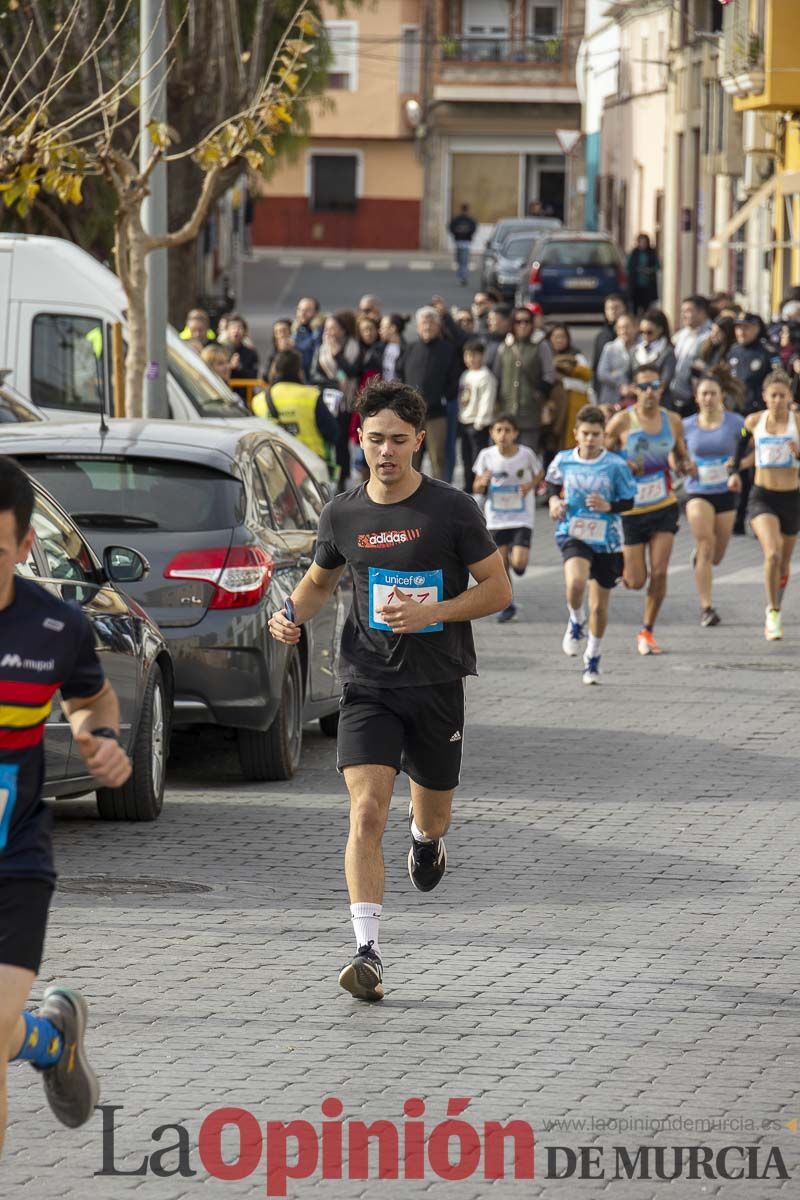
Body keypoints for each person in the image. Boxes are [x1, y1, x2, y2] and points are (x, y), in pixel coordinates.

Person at [268, 380, 510, 1001]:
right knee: (367, 812)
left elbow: (498, 589)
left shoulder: (451, 509)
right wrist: (290, 615)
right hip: (369, 681)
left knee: (431, 814)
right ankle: (366, 950)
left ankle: (427, 841)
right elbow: (321, 582)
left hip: (436, 684)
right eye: (376, 439)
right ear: (360, 439)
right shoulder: (342, 512)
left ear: (419, 442)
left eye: (399, 441)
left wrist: (437, 613)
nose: (387, 452)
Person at [0, 458, 132, 1155]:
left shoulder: (54, 626)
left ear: (24, 547)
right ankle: (50, 1038)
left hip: (14, 859)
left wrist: (98, 737)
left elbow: (91, 699)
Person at [545, 405, 637, 683]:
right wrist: (552, 502)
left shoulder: (616, 465)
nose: (590, 439)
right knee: (575, 583)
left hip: (607, 540)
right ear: (576, 434)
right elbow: (551, 484)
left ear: (603, 435)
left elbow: (629, 501)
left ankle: (592, 657)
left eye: (596, 434)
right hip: (573, 531)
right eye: (585, 434)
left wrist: (609, 505)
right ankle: (575, 619)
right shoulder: (563, 460)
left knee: (599, 606)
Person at [605, 364, 691, 656]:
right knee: (635, 581)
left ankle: (647, 631)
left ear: (662, 388)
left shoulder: (673, 421)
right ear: (634, 390)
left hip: (664, 505)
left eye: (654, 385)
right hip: (631, 511)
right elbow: (602, 457)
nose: (649, 392)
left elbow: (680, 455)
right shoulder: (621, 422)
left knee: (661, 571)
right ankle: (618, 565)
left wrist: (685, 465)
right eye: (643, 387)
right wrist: (621, 463)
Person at [730, 370, 800, 640]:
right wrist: (734, 472)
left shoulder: (797, 422)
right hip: (762, 497)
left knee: (783, 563)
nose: (778, 400)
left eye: (783, 395)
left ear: (790, 396)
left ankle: (777, 603)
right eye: (774, 395)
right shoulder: (754, 420)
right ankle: (772, 611)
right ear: (764, 397)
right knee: (772, 553)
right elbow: (741, 445)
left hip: (791, 498)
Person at [682, 371, 747, 627]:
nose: (708, 398)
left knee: (716, 556)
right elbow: (673, 453)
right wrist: (683, 464)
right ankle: (706, 607)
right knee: (706, 544)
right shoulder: (686, 425)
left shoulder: (736, 423)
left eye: (713, 394)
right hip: (698, 491)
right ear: (697, 398)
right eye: (704, 394)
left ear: (722, 397)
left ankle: (700, 557)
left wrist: (738, 466)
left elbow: (754, 451)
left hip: (726, 491)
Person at [473, 413, 543, 623]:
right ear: (492, 433)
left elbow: (540, 473)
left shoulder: (526, 454)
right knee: (501, 563)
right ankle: (508, 604)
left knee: (519, 563)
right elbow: (476, 487)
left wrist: (529, 486)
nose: (503, 435)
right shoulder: (486, 455)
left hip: (521, 516)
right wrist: (482, 482)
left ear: (515, 433)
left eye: (508, 430)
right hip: (496, 518)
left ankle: (519, 566)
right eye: (499, 430)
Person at [396, 307, 461, 482]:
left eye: (432, 322)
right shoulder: (410, 348)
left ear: (438, 326)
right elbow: (399, 373)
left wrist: (444, 397)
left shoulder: (448, 349)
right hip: (411, 415)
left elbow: (454, 378)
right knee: (411, 457)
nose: (427, 326)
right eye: (424, 322)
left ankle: (441, 496)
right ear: (417, 327)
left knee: (438, 458)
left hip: (436, 413)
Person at [252, 349, 339, 460]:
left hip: (273, 465)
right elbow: (332, 432)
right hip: (309, 465)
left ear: (275, 370)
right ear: (299, 371)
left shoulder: (258, 400)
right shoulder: (312, 396)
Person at [310, 313, 362, 492]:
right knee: (327, 439)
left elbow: (353, 370)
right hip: (327, 399)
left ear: (343, 330)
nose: (330, 333)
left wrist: (337, 354)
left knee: (341, 442)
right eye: (327, 328)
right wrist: (334, 382)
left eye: (334, 329)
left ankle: (343, 478)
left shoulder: (353, 347)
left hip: (346, 401)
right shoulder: (321, 347)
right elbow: (315, 374)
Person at [494, 307, 549, 453]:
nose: (523, 325)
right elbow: (497, 376)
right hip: (507, 412)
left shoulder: (540, 345)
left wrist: (539, 394)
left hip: (530, 412)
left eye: (527, 321)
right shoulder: (505, 346)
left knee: (527, 456)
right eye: (518, 321)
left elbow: (549, 375)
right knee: (504, 457)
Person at [458, 340, 498, 493]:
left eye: (474, 355)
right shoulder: (465, 375)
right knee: (465, 457)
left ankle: (480, 487)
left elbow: (486, 401)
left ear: (482, 356)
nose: (470, 359)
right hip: (465, 420)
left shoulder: (486, 376)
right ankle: (468, 485)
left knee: (478, 458)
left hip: (478, 424)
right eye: (467, 355)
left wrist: (480, 422)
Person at [547, 324, 592, 449]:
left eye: (563, 337)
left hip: (574, 407)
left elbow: (587, 380)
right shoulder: (544, 355)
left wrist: (566, 378)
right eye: (556, 337)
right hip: (552, 408)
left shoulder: (576, 357)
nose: (559, 340)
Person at [725, 313, 778, 415]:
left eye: (746, 328)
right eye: (738, 328)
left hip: (756, 411)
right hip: (734, 409)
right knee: (740, 431)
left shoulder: (768, 352)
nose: (741, 332)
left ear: (756, 329)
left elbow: (777, 378)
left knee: (746, 431)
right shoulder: (733, 350)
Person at [669, 295, 712, 416]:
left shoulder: (711, 335)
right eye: (682, 311)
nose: (684, 315)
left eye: (688, 311)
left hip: (696, 397)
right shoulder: (682, 334)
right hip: (676, 396)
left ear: (702, 312)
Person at [595, 313, 637, 409]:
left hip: (633, 399)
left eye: (627, 327)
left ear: (635, 328)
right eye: (621, 328)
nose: (624, 331)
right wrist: (620, 385)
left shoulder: (640, 348)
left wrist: (632, 387)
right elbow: (602, 373)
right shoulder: (610, 348)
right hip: (611, 399)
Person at [631, 309, 675, 392]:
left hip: (660, 398)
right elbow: (628, 376)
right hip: (636, 397)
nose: (645, 335)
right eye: (642, 332)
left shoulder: (667, 351)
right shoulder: (635, 350)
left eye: (649, 332)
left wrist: (643, 387)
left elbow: (665, 380)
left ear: (660, 330)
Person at [219, 314, 259, 396]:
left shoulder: (251, 353)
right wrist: (229, 367)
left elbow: (253, 376)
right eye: (233, 327)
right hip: (223, 392)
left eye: (239, 328)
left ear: (245, 332)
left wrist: (239, 368)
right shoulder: (219, 350)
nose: (236, 331)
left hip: (244, 394)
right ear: (227, 330)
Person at [592, 295, 628, 375]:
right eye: (609, 308)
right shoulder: (602, 336)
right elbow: (596, 366)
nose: (613, 311)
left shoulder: (630, 332)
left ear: (624, 308)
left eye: (616, 307)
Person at [626, 234, 660, 314]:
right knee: (634, 307)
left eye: (644, 242)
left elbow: (657, 266)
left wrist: (650, 270)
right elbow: (628, 266)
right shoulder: (634, 253)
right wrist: (636, 270)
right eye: (641, 242)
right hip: (635, 285)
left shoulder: (651, 253)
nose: (643, 244)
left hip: (648, 285)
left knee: (646, 307)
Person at [293, 297, 323, 379]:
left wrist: (317, 330)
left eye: (307, 310)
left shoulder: (322, 331)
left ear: (316, 313)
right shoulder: (293, 330)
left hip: (315, 380)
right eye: (300, 309)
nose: (302, 313)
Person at [448, 203, 477, 286]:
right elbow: (474, 228)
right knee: (464, 261)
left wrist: (456, 235)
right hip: (466, 242)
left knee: (460, 260)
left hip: (459, 242)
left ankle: (462, 277)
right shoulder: (469, 220)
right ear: (467, 210)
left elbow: (450, 227)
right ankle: (463, 277)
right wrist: (469, 235)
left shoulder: (457, 219)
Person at [483, 304, 513, 374]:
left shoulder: (515, 342)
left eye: (492, 319)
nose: (488, 322)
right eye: (488, 319)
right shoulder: (485, 340)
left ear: (506, 321)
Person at [379, 314, 407, 382]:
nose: (379, 331)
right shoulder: (378, 349)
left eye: (382, 327)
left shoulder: (407, 350)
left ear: (393, 328)